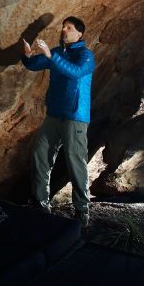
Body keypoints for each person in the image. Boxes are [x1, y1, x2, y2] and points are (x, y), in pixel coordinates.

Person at [21, 16, 95, 226]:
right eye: (63, 27)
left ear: (79, 33)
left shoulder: (86, 55)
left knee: (75, 162)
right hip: (54, 115)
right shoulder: (56, 52)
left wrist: (51, 57)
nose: (64, 30)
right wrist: (27, 56)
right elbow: (34, 65)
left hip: (75, 117)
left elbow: (76, 72)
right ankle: (40, 204)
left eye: (69, 28)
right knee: (40, 155)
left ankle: (82, 212)